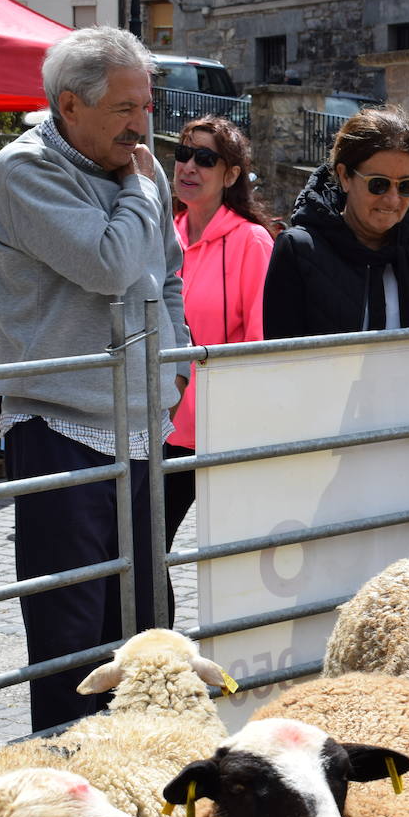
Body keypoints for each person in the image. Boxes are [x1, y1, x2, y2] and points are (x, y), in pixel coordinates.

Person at [0, 26, 190, 732]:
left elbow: (166, 272)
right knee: (70, 642)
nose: (143, 127)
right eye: (126, 109)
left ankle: (143, 777)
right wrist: (138, 186)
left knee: (145, 626)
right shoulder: (24, 170)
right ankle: (68, 794)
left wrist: (175, 360)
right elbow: (112, 263)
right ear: (70, 105)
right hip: (58, 429)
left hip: (139, 426)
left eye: (148, 106)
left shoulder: (141, 169)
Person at [165, 115, 274, 566]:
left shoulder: (252, 241)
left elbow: (259, 342)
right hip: (158, 429)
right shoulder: (162, 233)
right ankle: (155, 637)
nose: (188, 166)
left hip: (219, 432)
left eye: (205, 159)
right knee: (142, 549)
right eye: (182, 154)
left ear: (231, 175)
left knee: (228, 560)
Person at [263, 107, 409, 338]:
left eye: (406, 186)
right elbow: (282, 358)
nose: (392, 199)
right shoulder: (299, 250)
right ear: (345, 176)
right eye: (378, 184)